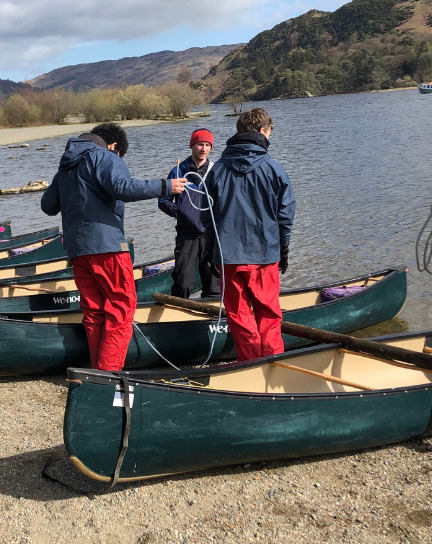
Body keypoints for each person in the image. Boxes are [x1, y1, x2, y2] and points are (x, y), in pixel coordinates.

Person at [40, 122, 187, 371]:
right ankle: (108, 375)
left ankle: (98, 373)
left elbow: (47, 206)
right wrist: (166, 186)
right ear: (114, 146)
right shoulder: (106, 156)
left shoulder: (66, 165)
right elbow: (123, 187)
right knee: (120, 308)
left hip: (77, 251)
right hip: (107, 247)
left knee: (94, 312)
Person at [203, 108, 295, 362]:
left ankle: (249, 363)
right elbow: (285, 216)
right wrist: (283, 249)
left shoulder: (217, 170)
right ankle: (272, 362)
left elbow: (207, 217)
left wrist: (211, 252)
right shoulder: (274, 168)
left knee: (239, 315)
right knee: (268, 314)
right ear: (263, 131)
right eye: (270, 133)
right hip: (265, 254)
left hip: (228, 255)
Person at [158, 127, 220, 298]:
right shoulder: (178, 171)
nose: (204, 149)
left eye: (207, 145)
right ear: (192, 145)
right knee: (182, 283)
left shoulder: (216, 171)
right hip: (186, 236)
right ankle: (178, 311)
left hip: (210, 236)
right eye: (200, 144)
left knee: (213, 285)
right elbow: (163, 201)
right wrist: (180, 212)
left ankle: (211, 312)